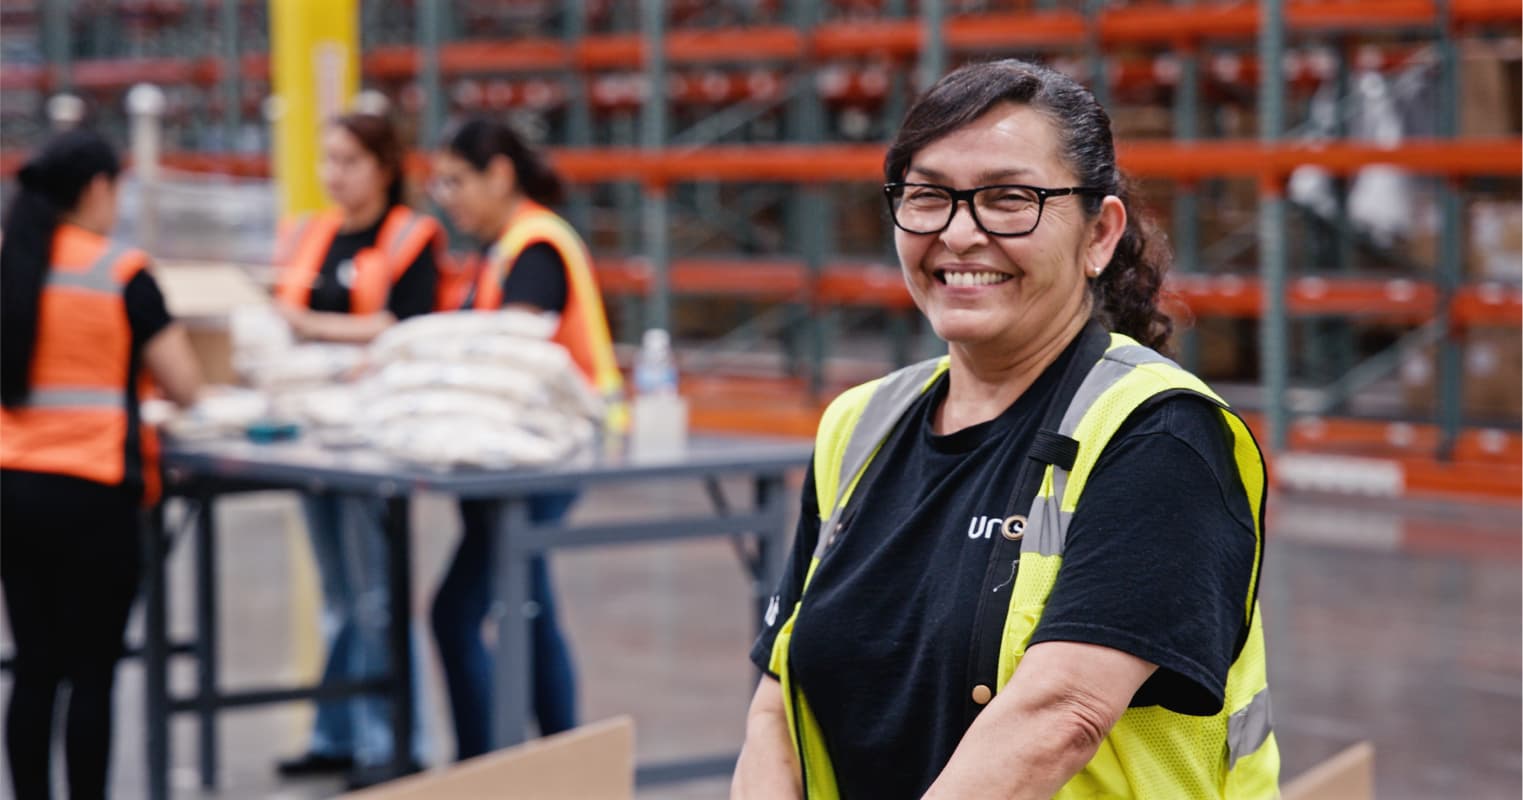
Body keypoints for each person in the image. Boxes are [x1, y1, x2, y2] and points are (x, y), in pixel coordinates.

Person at [734, 59, 1279, 799]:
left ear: (1099, 234)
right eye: (927, 197)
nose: (959, 234)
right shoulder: (856, 428)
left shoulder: (1160, 436)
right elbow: (776, 701)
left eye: (1008, 198)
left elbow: (1061, 715)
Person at [1, 129, 203, 799]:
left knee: (34, 668)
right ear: (96, 189)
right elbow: (185, 384)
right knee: (91, 671)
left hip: (13, 491)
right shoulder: (120, 272)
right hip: (92, 494)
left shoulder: (11, 265)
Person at [428, 116, 624, 759]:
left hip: (553, 449)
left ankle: (485, 765)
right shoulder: (500, 248)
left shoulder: (535, 245)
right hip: (517, 452)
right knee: (529, 609)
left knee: (459, 613)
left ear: (500, 175)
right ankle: (557, 760)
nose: (446, 197)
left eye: (457, 181)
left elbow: (512, 347)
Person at [271, 110, 442, 789]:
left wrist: (314, 327)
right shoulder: (308, 234)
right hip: (311, 428)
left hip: (375, 435)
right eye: (327, 160)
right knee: (337, 594)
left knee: (376, 595)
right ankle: (334, 734)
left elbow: (407, 327)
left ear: (384, 165)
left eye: (348, 160)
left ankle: (395, 741)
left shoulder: (411, 236)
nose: (334, 174)